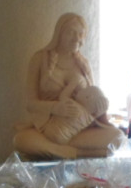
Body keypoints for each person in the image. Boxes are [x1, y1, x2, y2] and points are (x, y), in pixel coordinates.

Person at [13, 13, 124, 160]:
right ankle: (73, 152)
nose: (76, 38)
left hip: (78, 130)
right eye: (71, 32)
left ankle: (63, 150)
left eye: (80, 34)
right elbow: (30, 104)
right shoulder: (39, 59)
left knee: (118, 137)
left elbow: (93, 102)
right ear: (59, 33)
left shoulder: (84, 64)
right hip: (47, 130)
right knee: (21, 139)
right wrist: (55, 108)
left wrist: (100, 108)